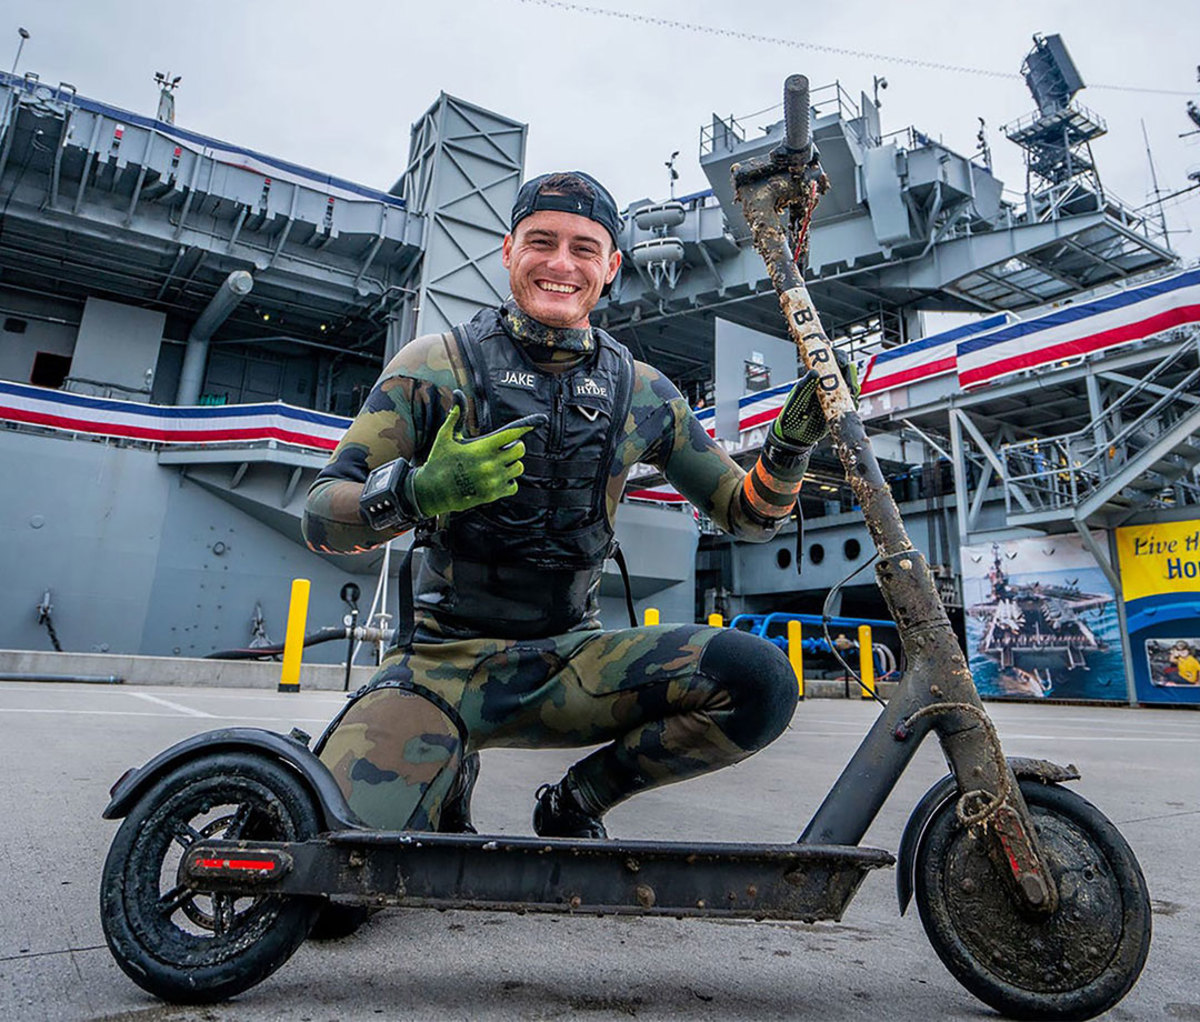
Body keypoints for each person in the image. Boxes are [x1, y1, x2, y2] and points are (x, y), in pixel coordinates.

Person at [302, 170, 856, 839]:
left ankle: (576, 804)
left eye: (584, 249)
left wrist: (790, 444)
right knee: (337, 881)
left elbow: (750, 515)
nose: (561, 264)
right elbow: (320, 515)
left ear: (612, 265)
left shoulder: (645, 393)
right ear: (509, 250)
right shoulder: (433, 368)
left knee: (761, 681)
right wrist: (419, 493)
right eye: (542, 242)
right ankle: (439, 762)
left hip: (572, 664)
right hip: (438, 671)